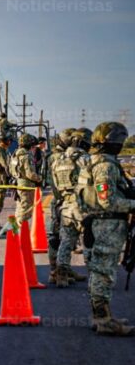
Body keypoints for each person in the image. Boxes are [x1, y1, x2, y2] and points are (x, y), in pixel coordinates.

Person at [77, 122, 133, 336]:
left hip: (96, 222)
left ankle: (102, 316)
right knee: (104, 273)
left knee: (99, 271)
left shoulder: (91, 162)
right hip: (106, 225)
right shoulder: (105, 166)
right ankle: (103, 320)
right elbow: (108, 201)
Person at [51, 128, 92, 287]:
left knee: (66, 241)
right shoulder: (85, 159)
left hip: (65, 205)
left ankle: (61, 275)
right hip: (82, 205)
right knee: (88, 241)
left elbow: (54, 187)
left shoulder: (58, 160)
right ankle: (94, 276)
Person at [46, 128, 74, 285]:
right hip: (64, 201)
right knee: (65, 237)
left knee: (55, 236)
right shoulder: (60, 157)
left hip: (57, 200)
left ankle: (57, 271)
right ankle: (59, 272)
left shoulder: (52, 156)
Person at [12, 134, 42, 225]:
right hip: (27, 186)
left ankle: (15, 231)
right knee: (26, 210)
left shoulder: (15, 155)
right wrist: (40, 179)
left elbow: (10, 170)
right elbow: (30, 174)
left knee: (19, 208)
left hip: (18, 184)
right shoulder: (27, 156)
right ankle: (21, 231)